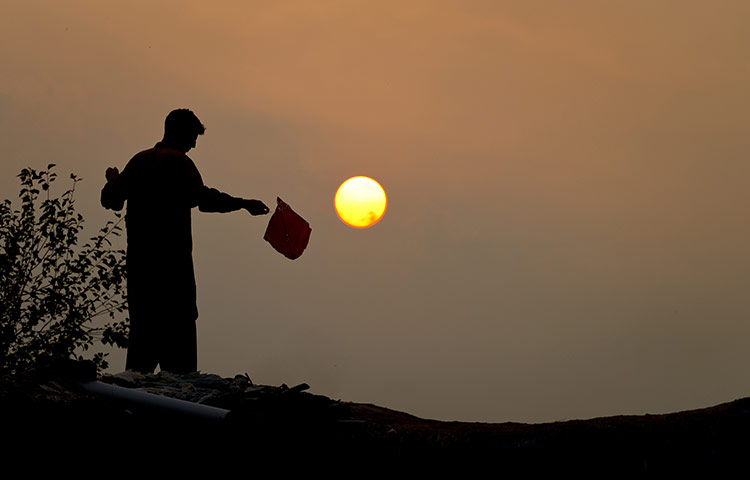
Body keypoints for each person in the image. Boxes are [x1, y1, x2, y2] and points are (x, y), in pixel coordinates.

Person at [101, 108, 269, 374]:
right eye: (192, 137)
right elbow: (203, 199)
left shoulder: (139, 162)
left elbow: (111, 200)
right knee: (180, 362)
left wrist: (113, 181)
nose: (193, 144)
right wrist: (242, 204)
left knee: (140, 358)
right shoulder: (178, 162)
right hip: (173, 274)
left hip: (142, 274)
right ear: (180, 133)